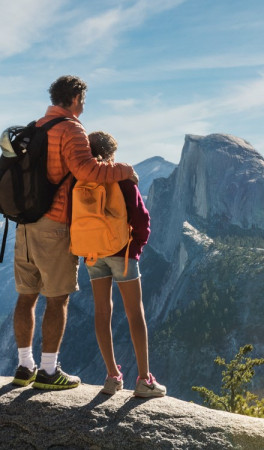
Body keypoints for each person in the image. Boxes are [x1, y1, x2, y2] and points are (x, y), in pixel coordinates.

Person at [12, 75, 138, 390]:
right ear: (75, 98)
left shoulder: (36, 128)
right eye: (82, 99)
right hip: (54, 225)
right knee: (57, 299)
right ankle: (49, 371)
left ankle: (24, 366)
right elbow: (87, 171)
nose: (83, 105)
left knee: (26, 296)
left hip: (24, 224)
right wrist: (125, 171)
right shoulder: (71, 129)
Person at [85, 131, 166, 398]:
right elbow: (142, 219)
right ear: (111, 155)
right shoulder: (122, 180)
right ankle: (144, 380)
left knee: (101, 313)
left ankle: (111, 377)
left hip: (93, 253)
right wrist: (136, 249)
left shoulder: (81, 180)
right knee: (135, 314)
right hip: (122, 252)